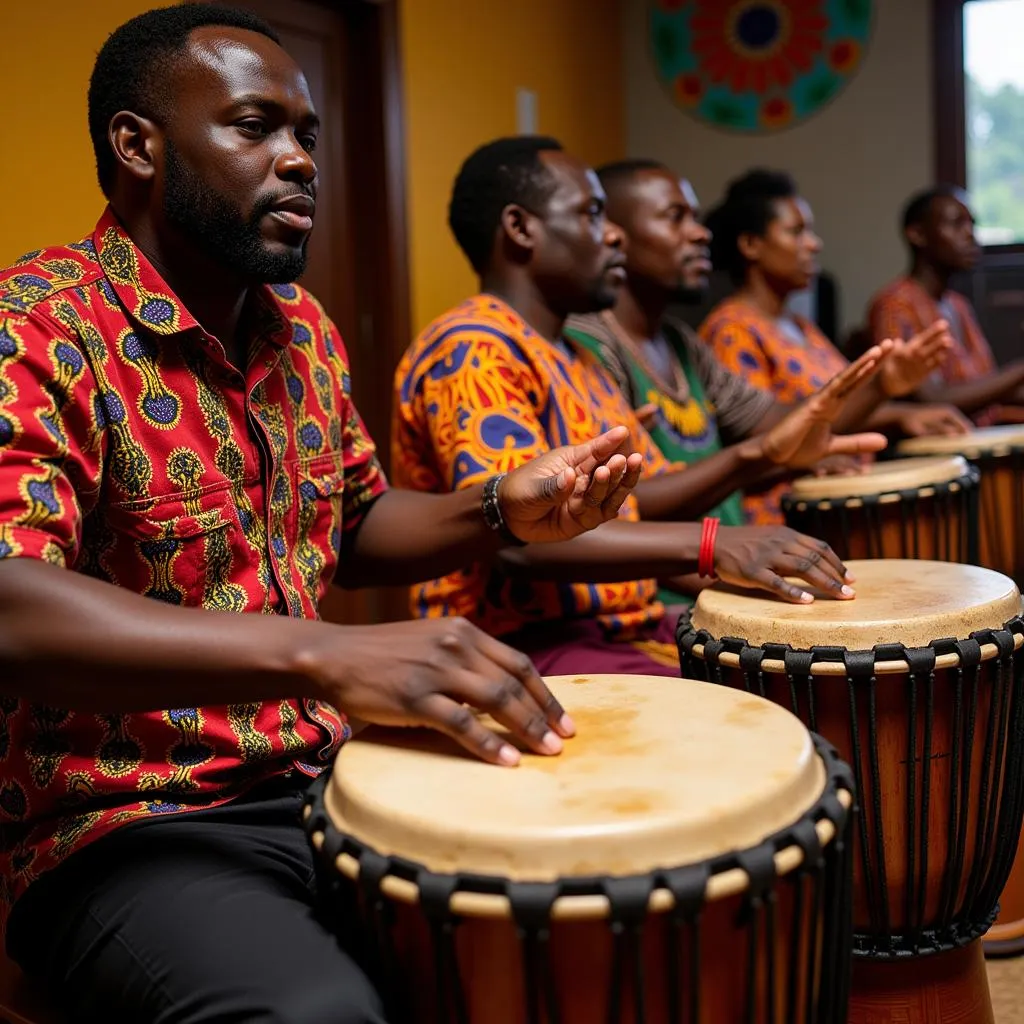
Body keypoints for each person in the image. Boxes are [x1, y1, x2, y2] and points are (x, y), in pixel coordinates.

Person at [0, 7, 658, 1022]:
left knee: (591, 891)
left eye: (307, 134)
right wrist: (320, 654)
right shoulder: (37, 327)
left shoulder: (300, 329)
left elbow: (354, 523)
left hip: (318, 770)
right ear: (139, 146)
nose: (299, 160)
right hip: (122, 823)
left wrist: (500, 509)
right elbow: (12, 604)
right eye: (255, 126)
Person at [393, 136, 893, 677]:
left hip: (625, 628)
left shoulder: (577, 357)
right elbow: (517, 537)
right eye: (591, 214)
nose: (612, 235)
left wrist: (761, 571)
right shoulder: (474, 345)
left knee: (800, 658)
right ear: (520, 228)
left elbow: (640, 510)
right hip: (519, 647)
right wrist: (711, 543)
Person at [566, 159, 957, 556]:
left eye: (696, 219)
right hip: (682, 576)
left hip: (727, 557)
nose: (701, 234)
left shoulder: (681, 342)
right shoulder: (590, 345)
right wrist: (758, 459)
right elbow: (609, 512)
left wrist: (881, 386)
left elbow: (780, 425)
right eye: (675, 218)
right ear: (613, 235)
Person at [699, 169, 970, 524]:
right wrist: (811, 456)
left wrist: (904, 416)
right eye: (797, 232)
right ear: (751, 244)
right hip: (784, 524)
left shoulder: (799, 326)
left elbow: (838, 408)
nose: (814, 244)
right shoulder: (731, 331)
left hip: (839, 510)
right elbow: (760, 447)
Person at [868, 185, 1024, 425]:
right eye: (956, 224)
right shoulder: (894, 305)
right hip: (946, 444)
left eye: (971, 224)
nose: (970, 235)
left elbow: (988, 387)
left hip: (983, 434)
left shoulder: (957, 304)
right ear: (917, 234)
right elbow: (930, 398)